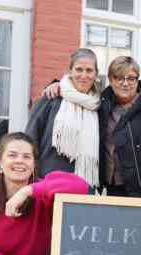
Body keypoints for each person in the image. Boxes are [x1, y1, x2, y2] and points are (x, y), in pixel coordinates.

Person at [42, 55, 141, 198]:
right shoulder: (100, 105)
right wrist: (58, 85)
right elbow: (80, 94)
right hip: (113, 191)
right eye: (119, 77)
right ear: (111, 80)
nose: (125, 83)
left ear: (138, 79)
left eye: (131, 78)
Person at [25, 48, 104, 188]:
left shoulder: (100, 105)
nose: (84, 75)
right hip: (48, 184)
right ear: (70, 71)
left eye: (89, 70)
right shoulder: (51, 98)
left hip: (84, 186)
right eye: (79, 69)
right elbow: (30, 139)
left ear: (96, 74)